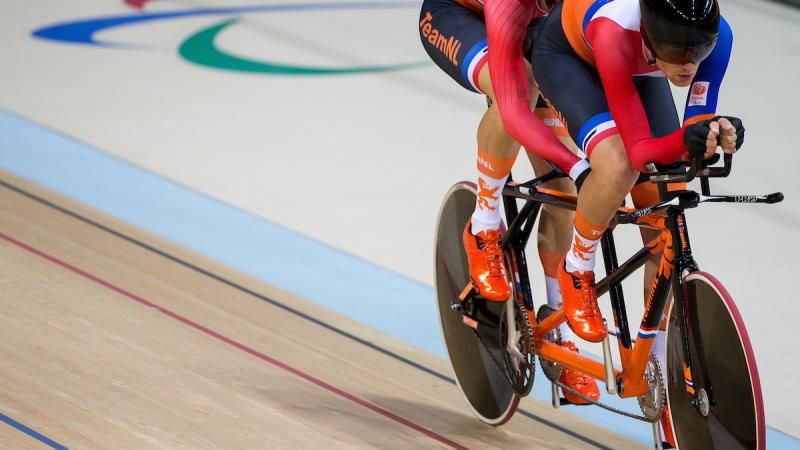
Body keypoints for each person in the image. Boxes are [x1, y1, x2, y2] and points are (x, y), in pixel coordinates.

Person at [530, 0, 743, 442]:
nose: (688, 62)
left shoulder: (717, 39)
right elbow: (643, 150)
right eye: (675, 48)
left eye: (697, 49)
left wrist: (717, 132)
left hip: (640, 70)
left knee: (666, 208)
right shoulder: (614, 30)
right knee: (618, 164)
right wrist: (685, 141)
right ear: (648, 31)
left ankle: (655, 360)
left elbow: (695, 125)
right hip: (572, 58)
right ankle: (577, 264)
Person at [419, 0, 601, 403]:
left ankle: (559, 333)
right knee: (513, 94)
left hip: (539, 33)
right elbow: (517, 101)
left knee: (564, 197)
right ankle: (482, 224)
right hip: (460, 17)